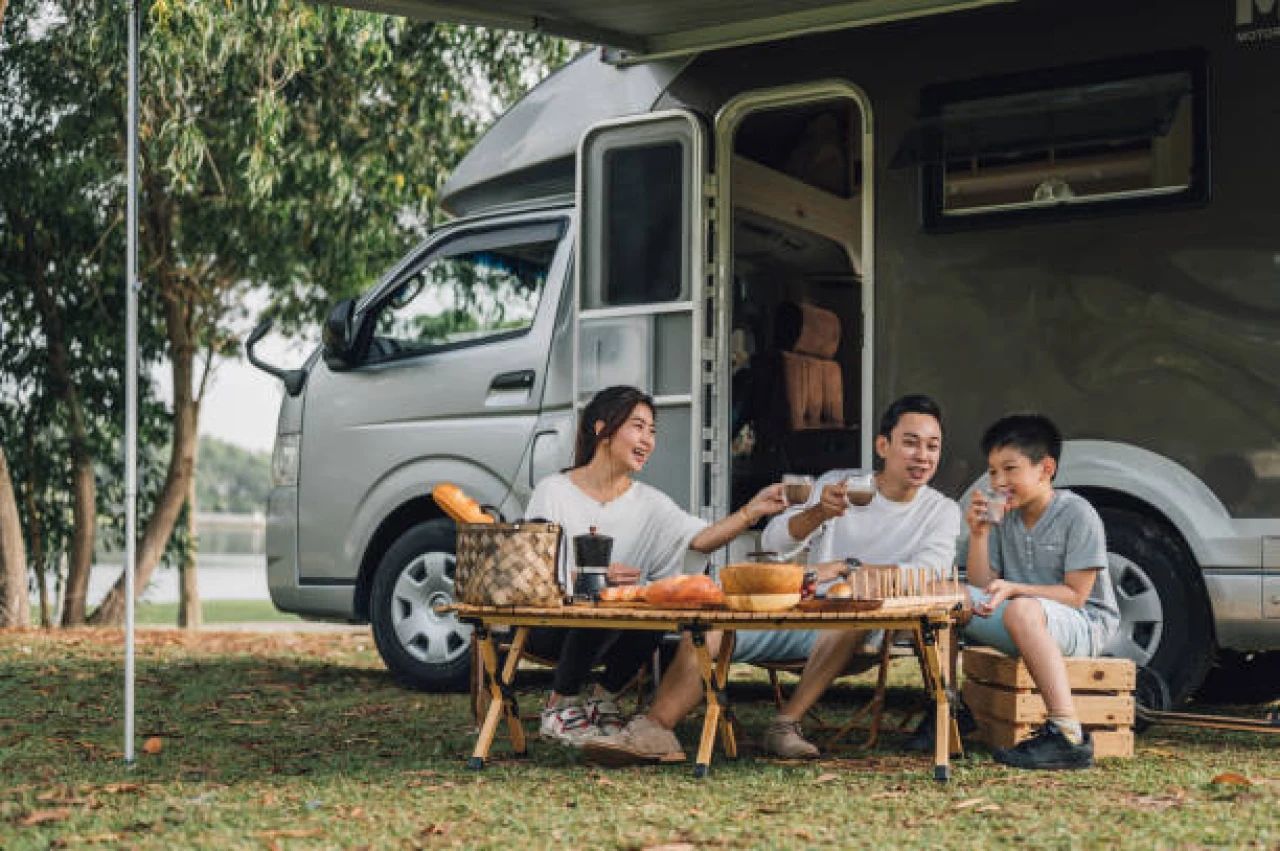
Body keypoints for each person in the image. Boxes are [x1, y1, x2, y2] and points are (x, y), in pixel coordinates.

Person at [584, 394, 962, 765]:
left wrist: (846, 569)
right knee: (712, 624)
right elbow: (774, 541)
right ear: (883, 445)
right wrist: (816, 514)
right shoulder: (841, 484)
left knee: (847, 614)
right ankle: (654, 729)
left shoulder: (940, 511)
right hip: (797, 608)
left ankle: (785, 724)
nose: (922, 456)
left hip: (864, 621)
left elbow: (930, 571)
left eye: (932, 446)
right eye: (910, 443)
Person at [526, 385, 787, 745]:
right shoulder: (553, 491)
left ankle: (602, 698)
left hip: (611, 630)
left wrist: (751, 512)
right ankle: (559, 706)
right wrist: (591, 576)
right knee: (601, 594)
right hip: (549, 625)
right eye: (638, 427)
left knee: (655, 598)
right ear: (602, 429)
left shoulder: (650, 503)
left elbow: (699, 539)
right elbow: (531, 569)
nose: (647, 439)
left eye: (652, 431)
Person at [961, 414, 1119, 770]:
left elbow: (1077, 595)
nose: (999, 482)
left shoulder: (1077, 513)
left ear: (1045, 468)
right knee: (953, 596)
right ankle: (949, 712)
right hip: (1027, 621)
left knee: (1021, 609)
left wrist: (1016, 589)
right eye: (992, 472)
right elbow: (983, 588)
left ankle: (1067, 735)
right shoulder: (1005, 518)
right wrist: (979, 534)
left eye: (1010, 469)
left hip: (1084, 625)